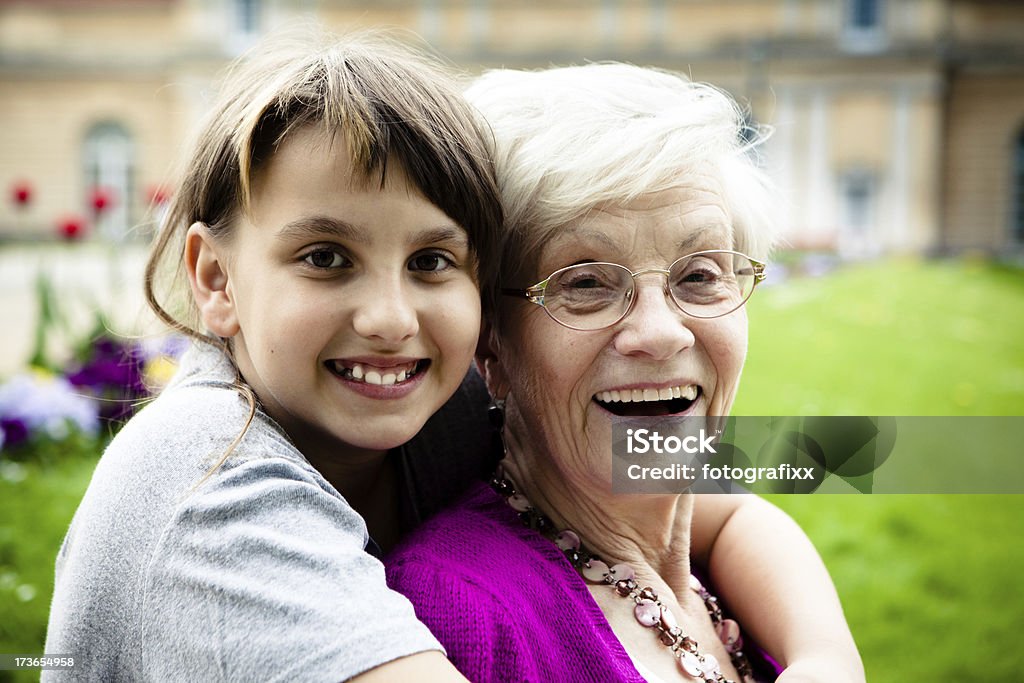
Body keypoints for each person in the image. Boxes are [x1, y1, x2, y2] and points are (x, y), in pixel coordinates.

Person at [43, 29, 501, 681]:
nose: (392, 319)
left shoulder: (449, 408)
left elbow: (684, 464)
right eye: (325, 258)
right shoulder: (207, 482)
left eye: (431, 261)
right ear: (216, 279)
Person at [386, 64, 865, 682]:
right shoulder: (460, 616)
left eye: (699, 275)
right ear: (491, 343)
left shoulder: (714, 560)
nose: (663, 332)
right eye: (585, 283)